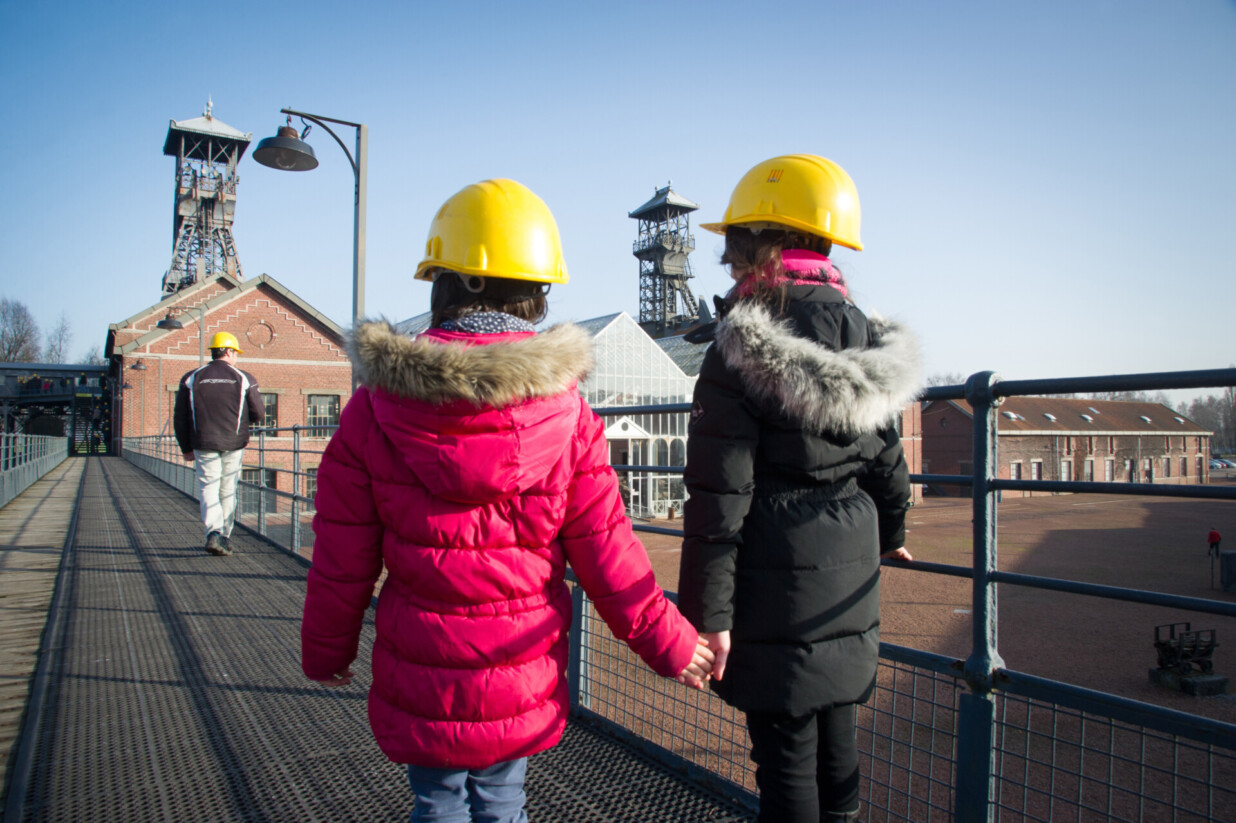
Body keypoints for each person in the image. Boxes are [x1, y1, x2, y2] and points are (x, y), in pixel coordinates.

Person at [301, 178, 714, 823]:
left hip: (423, 661)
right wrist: (669, 642)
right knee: (500, 799)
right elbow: (609, 552)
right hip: (517, 660)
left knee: (436, 802)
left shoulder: (373, 408)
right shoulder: (568, 412)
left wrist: (328, 650)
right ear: (534, 293)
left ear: (448, 281)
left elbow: (341, 554)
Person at [677, 154, 922, 823]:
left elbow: (718, 497)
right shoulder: (861, 332)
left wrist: (710, 614)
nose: (729, 264)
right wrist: (893, 531)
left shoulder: (736, 347)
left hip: (769, 573)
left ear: (760, 241)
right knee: (839, 752)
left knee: (785, 763)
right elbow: (885, 455)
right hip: (847, 570)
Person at [173, 331, 265, 557]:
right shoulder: (244, 378)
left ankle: (213, 533)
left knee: (208, 487)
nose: (237, 358)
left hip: (203, 442)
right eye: (236, 353)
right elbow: (259, 413)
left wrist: (185, 447)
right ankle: (224, 535)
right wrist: (243, 422)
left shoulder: (191, 377)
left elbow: (180, 417)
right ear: (229, 351)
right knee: (227, 489)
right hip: (234, 442)